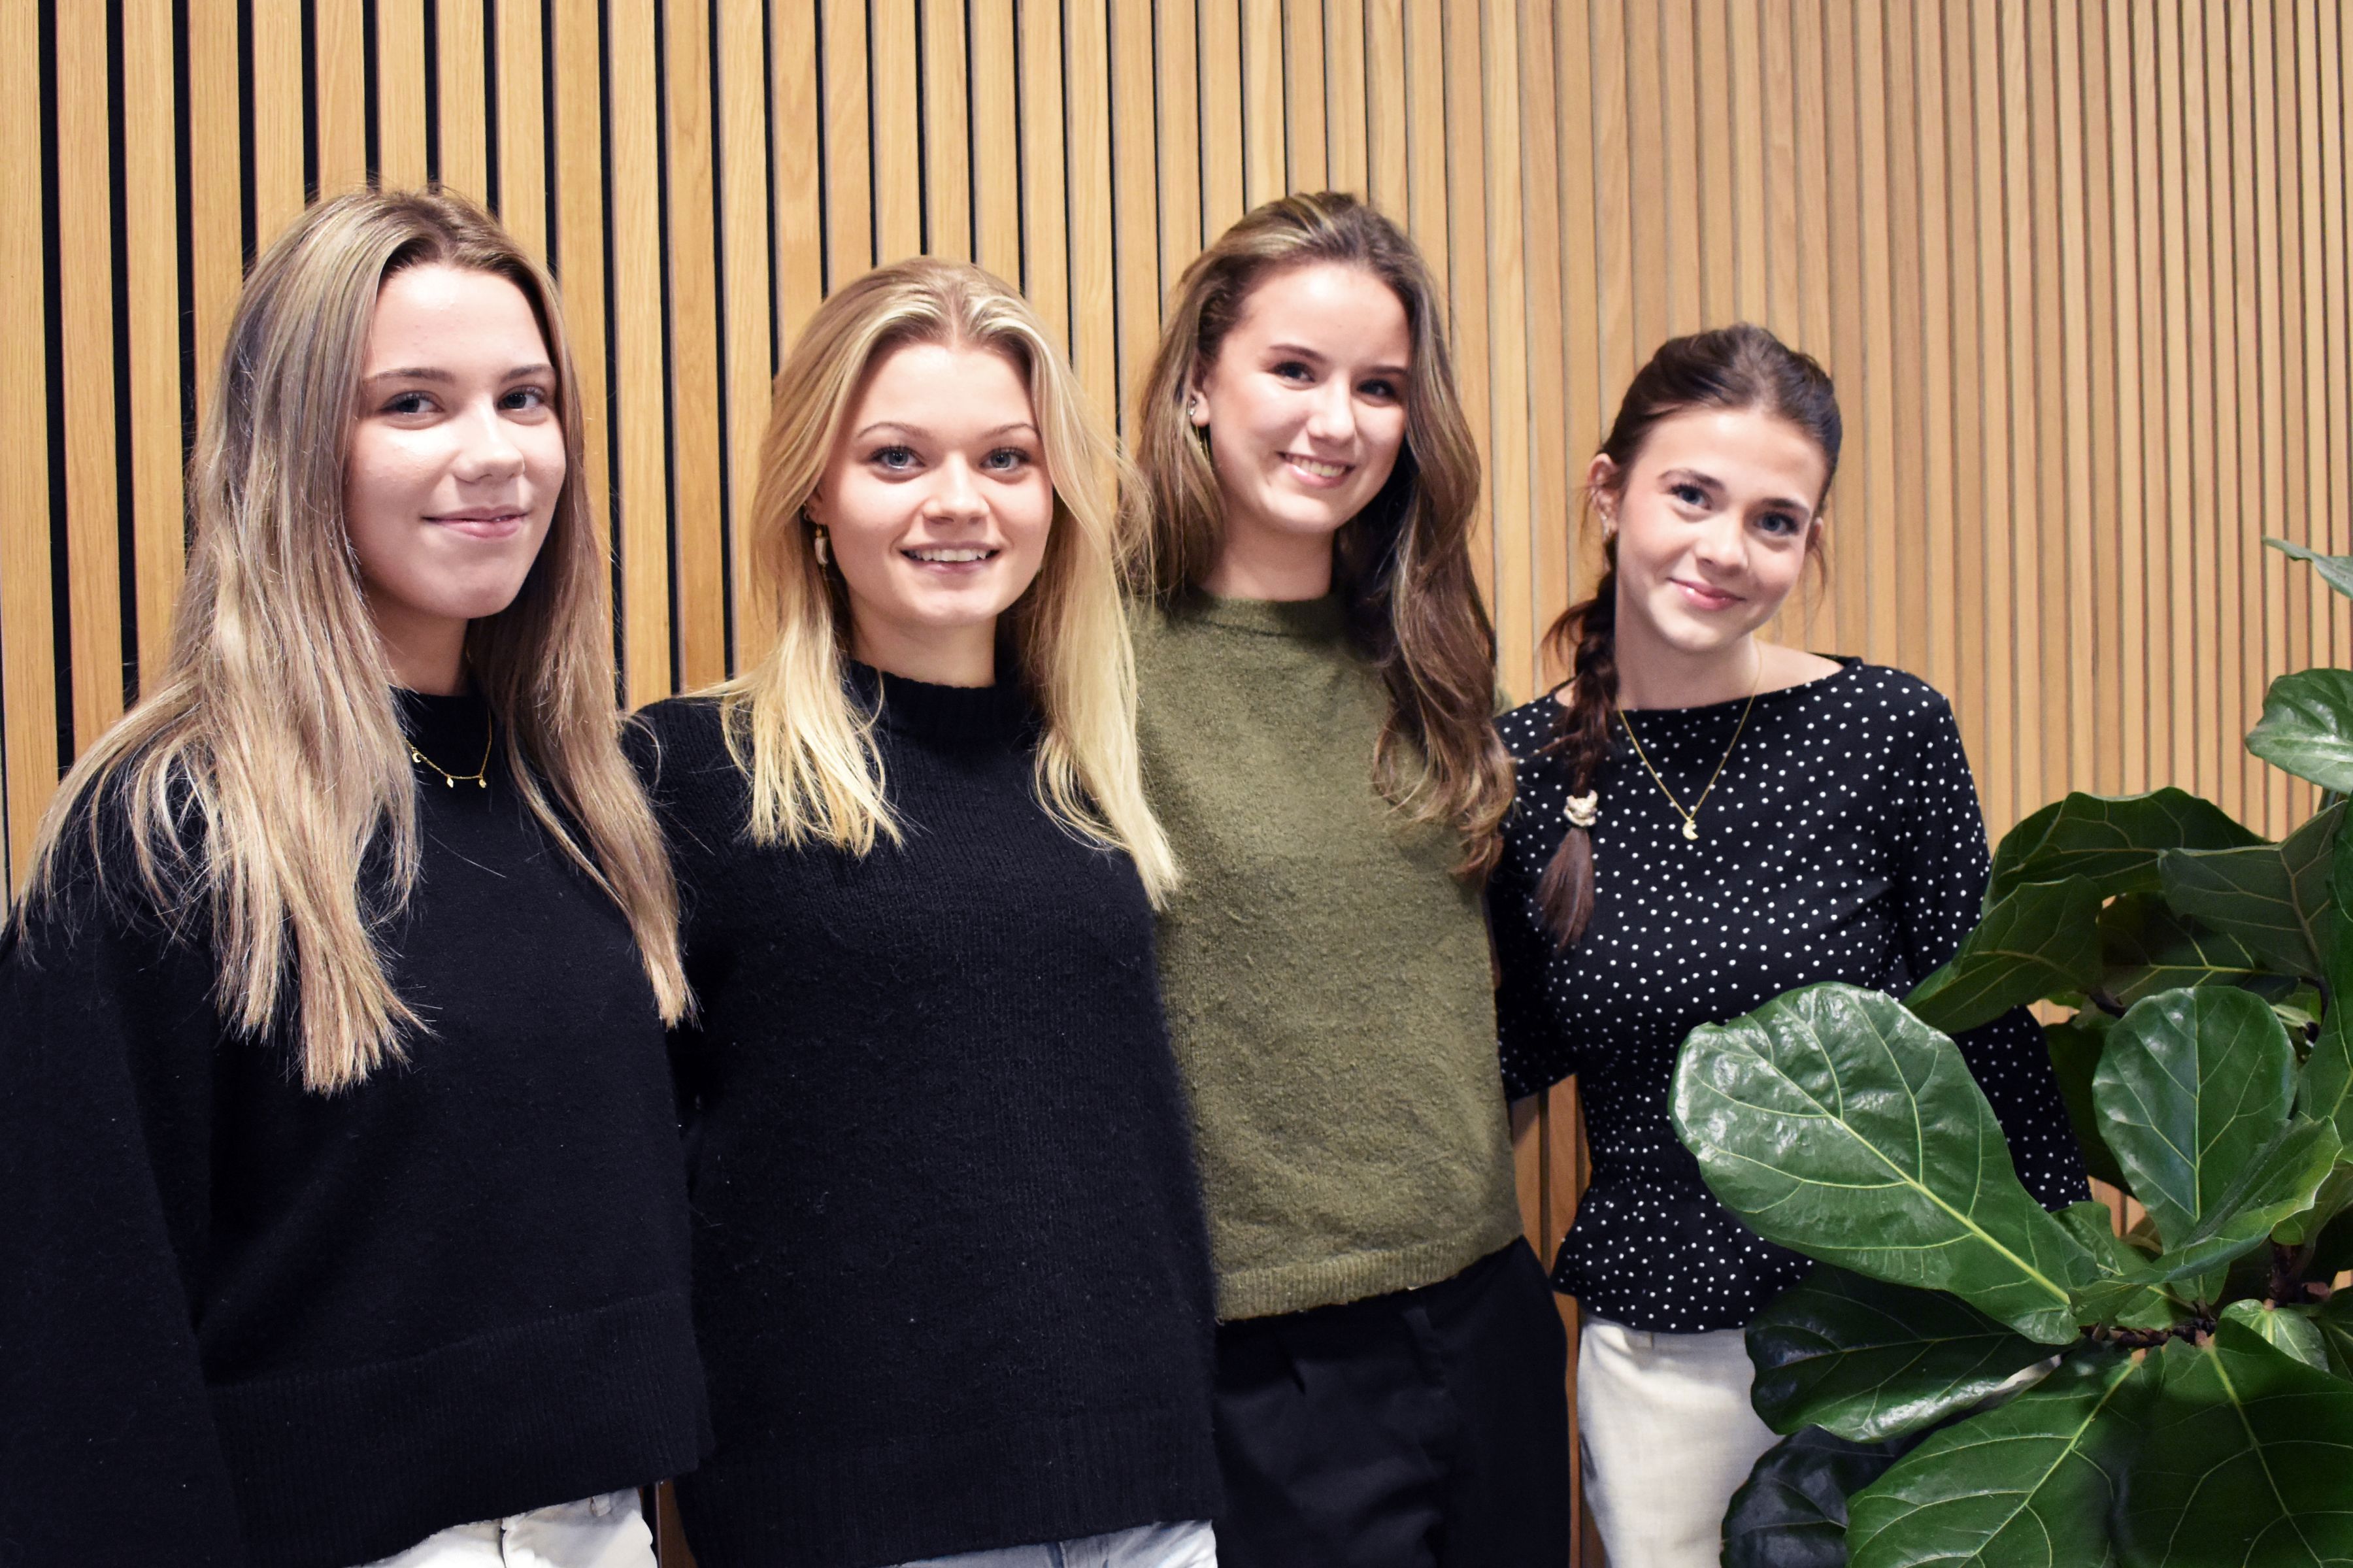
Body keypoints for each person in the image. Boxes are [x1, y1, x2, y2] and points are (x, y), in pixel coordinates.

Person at [0, 188, 705, 1567]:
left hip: (600, 1529)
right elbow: (79, 1335)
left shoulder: (585, 799)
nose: (493, 454)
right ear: (293, 446)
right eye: (413, 405)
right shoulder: (166, 828)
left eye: (525, 399)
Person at [627, 258, 1220, 1568]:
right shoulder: (692, 775)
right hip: (856, 1510)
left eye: (1007, 459)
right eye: (897, 458)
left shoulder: (1092, 768)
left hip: (1144, 1492)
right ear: (815, 493)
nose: (960, 502)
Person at [1485, 324, 2090, 1567]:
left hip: (1916, 1329)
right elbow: (1521, 1045)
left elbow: (1983, 1015)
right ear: (1609, 492)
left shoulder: (1886, 728)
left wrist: (2075, 1296)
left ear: (1809, 543)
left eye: (1774, 520)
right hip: (1670, 1352)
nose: (1725, 548)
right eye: (1691, 495)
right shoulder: (1522, 770)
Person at [1124, 192, 1569, 1568]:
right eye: (1295, 370)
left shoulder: (1429, 651)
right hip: (1258, 1349)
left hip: (1484, 1309)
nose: (1338, 422)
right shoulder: (1090, 652)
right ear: (1200, 382)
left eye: (1380, 387)